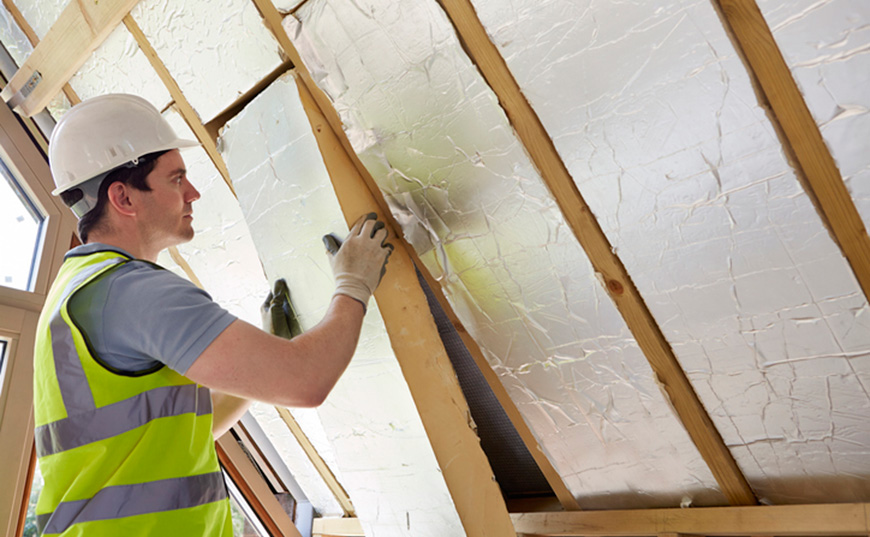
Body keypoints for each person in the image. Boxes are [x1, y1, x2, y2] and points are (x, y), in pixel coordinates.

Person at [32, 94, 393, 536]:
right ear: (123, 197)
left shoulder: (75, 291)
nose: (193, 192)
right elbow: (307, 381)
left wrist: (261, 362)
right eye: (176, 178)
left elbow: (184, 435)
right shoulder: (133, 293)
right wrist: (353, 285)